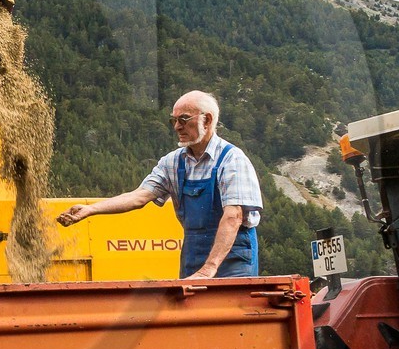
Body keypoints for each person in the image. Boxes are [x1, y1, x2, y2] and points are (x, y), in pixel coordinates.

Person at [58, 90, 262, 278]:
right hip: (193, 253)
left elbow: (233, 216)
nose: (177, 127)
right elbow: (139, 197)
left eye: (183, 119)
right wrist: (90, 209)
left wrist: (209, 268)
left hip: (232, 257)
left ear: (207, 120)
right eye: (174, 120)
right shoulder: (173, 162)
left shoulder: (232, 159)